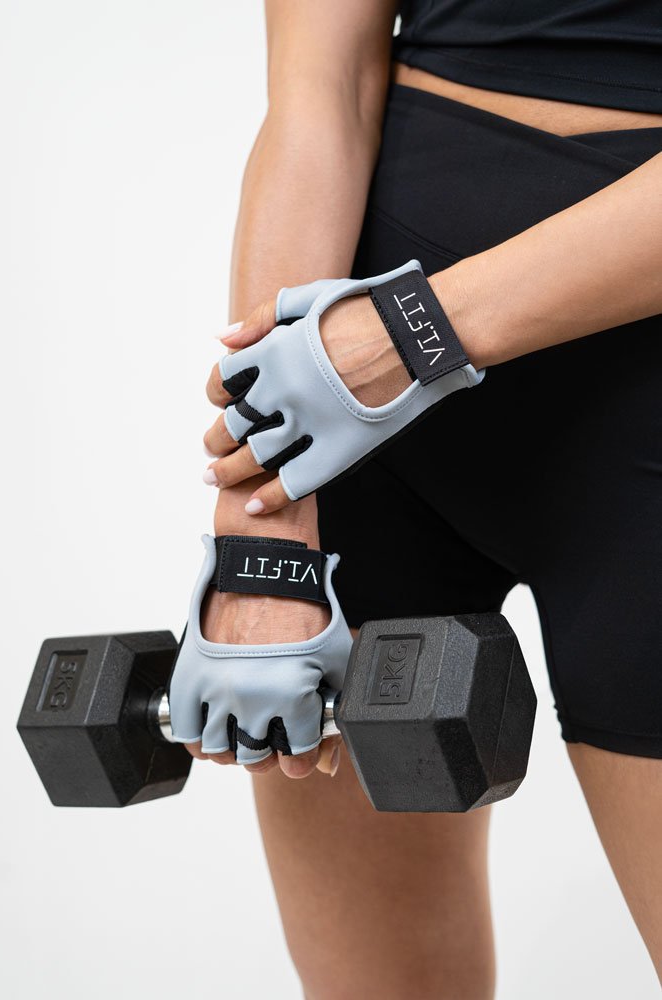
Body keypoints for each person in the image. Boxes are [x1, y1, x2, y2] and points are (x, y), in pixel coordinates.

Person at [191, 3, 662, 996]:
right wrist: (263, 529)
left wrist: (412, 335)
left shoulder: (390, 345)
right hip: (354, 411)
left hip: (451, 370)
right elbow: (320, 89)